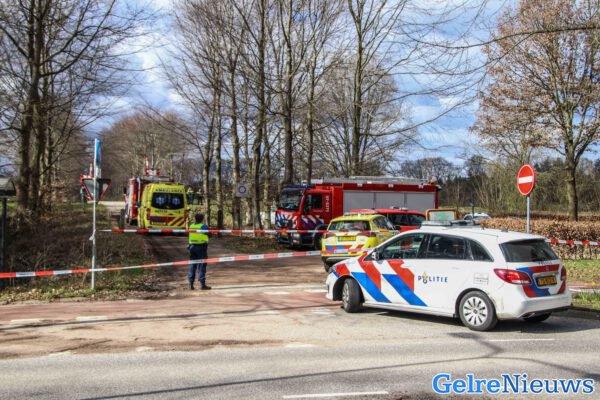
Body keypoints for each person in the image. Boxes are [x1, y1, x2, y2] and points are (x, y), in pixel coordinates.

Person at [188, 213, 211, 290]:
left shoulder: (191, 226)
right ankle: (202, 284)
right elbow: (209, 235)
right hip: (201, 248)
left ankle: (191, 284)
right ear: (202, 219)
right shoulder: (203, 226)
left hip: (192, 247)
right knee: (202, 266)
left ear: (195, 218)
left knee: (192, 265)